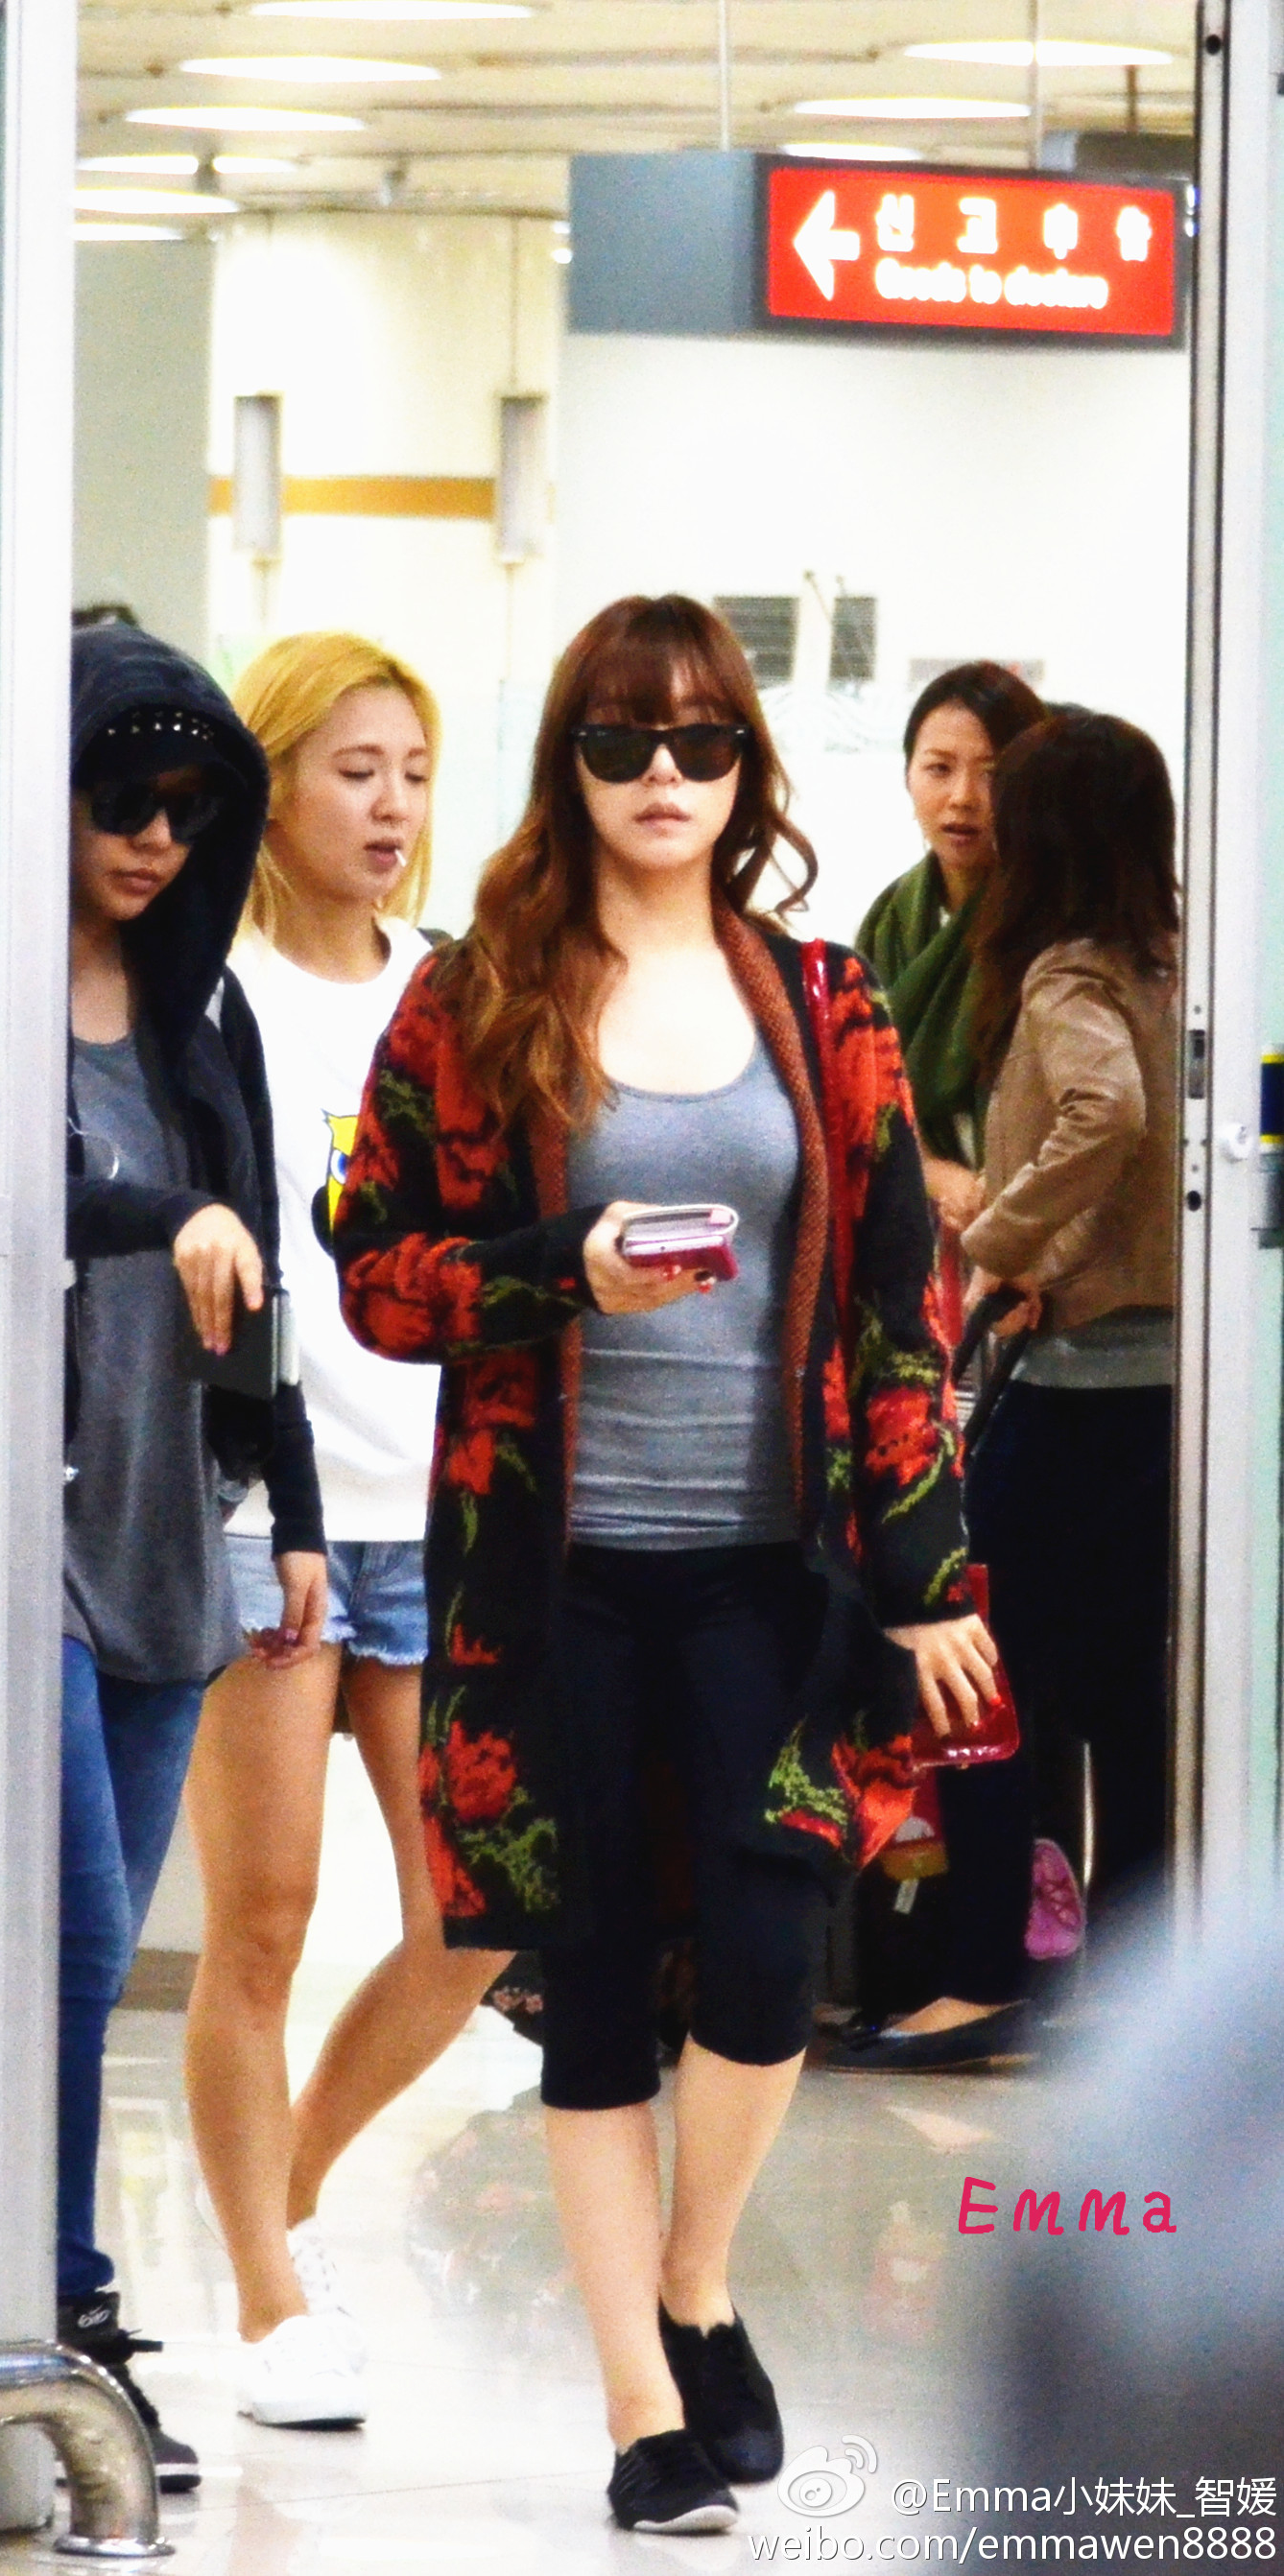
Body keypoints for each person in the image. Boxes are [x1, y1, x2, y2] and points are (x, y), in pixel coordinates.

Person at [333, 593, 995, 2537]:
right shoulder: (476, 1001)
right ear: (570, 766)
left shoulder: (821, 997)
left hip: (767, 1569)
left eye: (699, 742)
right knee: (598, 1978)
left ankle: (695, 2283)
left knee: (774, 1946)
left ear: (742, 771)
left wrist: (930, 1570)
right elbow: (375, 1273)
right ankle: (639, 2411)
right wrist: (562, 1271)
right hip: (551, 1582)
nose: (660, 775)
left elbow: (899, 1297)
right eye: (620, 740)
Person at [182, 633, 511, 2434]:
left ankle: (284, 2195)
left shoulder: (457, 990)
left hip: (442, 1511)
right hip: (269, 1514)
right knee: (264, 1923)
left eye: (412, 773)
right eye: (352, 770)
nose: (390, 807)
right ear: (274, 782)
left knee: (474, 1908)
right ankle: (264, 2301)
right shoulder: (209, 993)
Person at [59, 622, 328, 2490]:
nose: (155, 837)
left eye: (186, 807)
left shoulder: (196, 1011)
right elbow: (48, 1200)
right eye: (119, 799)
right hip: (22, 1542)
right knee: (76, 1938)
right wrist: (170, 1210)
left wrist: (290, 1507)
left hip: (170, 1531)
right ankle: (63, 2310)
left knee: (88, 1962)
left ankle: (46, 2305)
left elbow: (259, 1266)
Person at [837, 711, 1180, 2069]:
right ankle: (1128, 2005)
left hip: (1077, 1388)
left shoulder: (1064, 971)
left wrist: (998, 1241)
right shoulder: (1177, 961)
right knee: (1133, 1714)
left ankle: (985, 1977)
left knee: (979, 1686)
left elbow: (1106, 1115)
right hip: (1168, 1397)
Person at [857, 663, 1045, 1272]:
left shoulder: (1058, 920)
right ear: (907, 775)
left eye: (993, 774)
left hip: (1039, 1239)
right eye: (939, 768)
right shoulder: (888, 923)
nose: (963, 797)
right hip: (919, 1239)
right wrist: (939, 1177)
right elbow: (863, 1102)